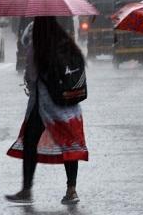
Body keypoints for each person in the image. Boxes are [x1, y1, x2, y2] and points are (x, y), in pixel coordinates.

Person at [5, 16, 88, 205]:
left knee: (30, 143)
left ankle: (26, 189)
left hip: (43, 103)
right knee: (69, 145)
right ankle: (71, 189)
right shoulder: (64, 41)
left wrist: (29, 79)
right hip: (68, 105)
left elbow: (31, 74)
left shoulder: (38, 44)